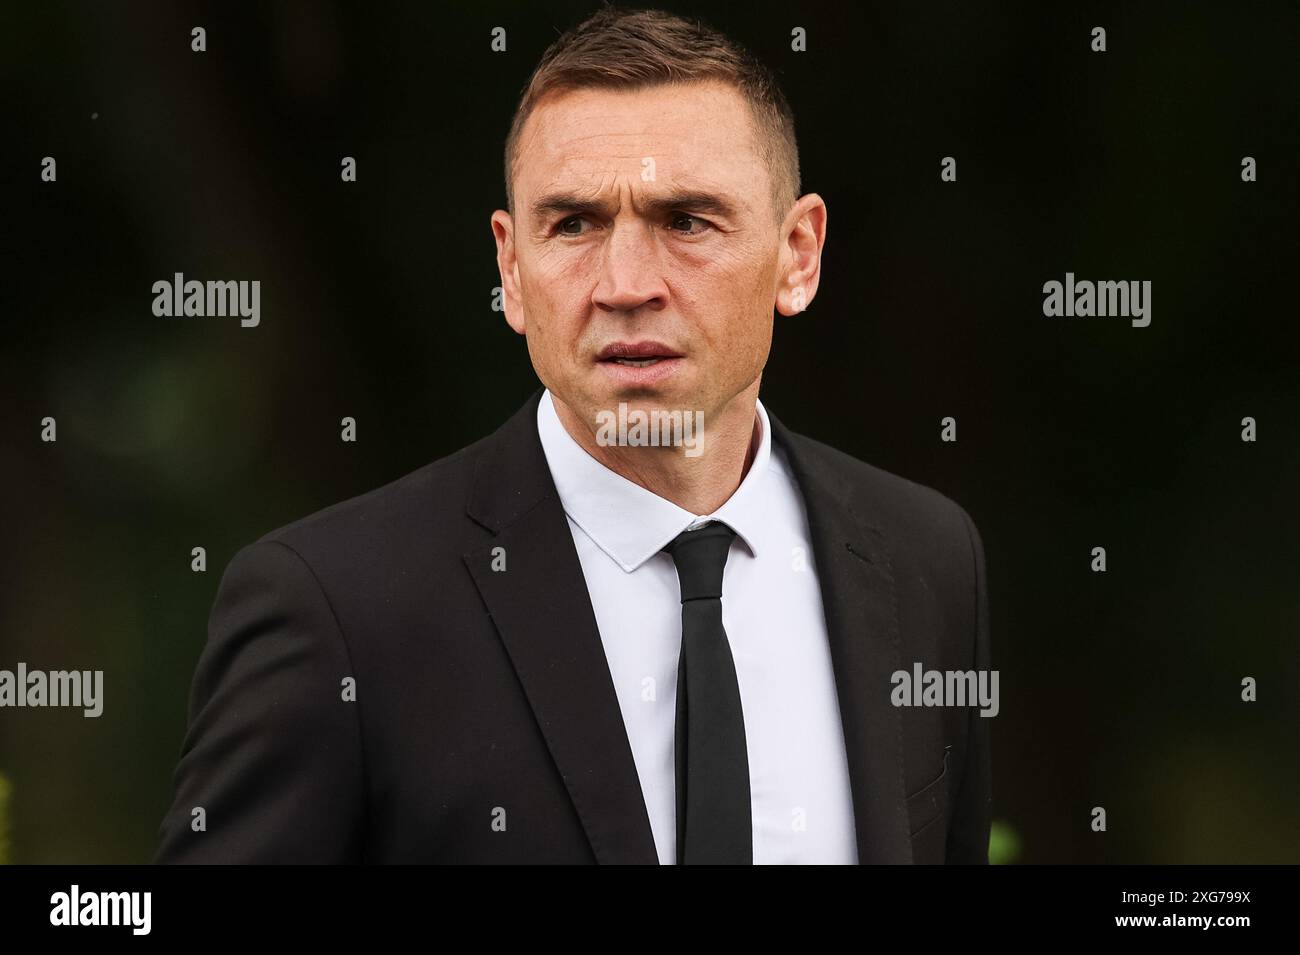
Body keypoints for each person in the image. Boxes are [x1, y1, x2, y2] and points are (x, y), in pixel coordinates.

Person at [156, 5, 991, 865]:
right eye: (575, 224)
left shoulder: (925, 558)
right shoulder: (335, 608)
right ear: (511, 270)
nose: (626, 283)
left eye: (687, 221)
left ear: (798, 254)